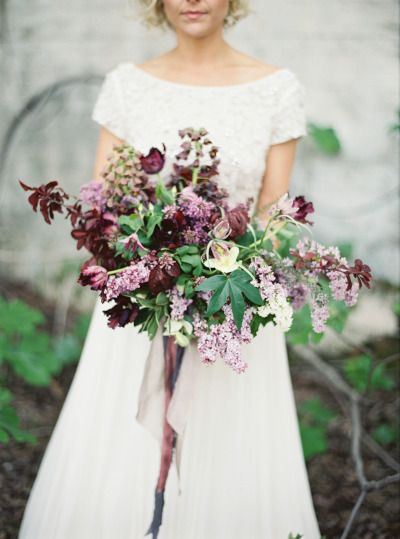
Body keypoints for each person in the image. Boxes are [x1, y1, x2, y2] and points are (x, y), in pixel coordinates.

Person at [18, 1, 322, 537]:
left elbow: (276, 212)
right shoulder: (128, 85)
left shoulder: (276, 88)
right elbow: (105, 205)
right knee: (122, 454)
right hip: (144, 303)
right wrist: (156, 272)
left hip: (233, 306)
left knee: (229, 456)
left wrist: (225, 276)